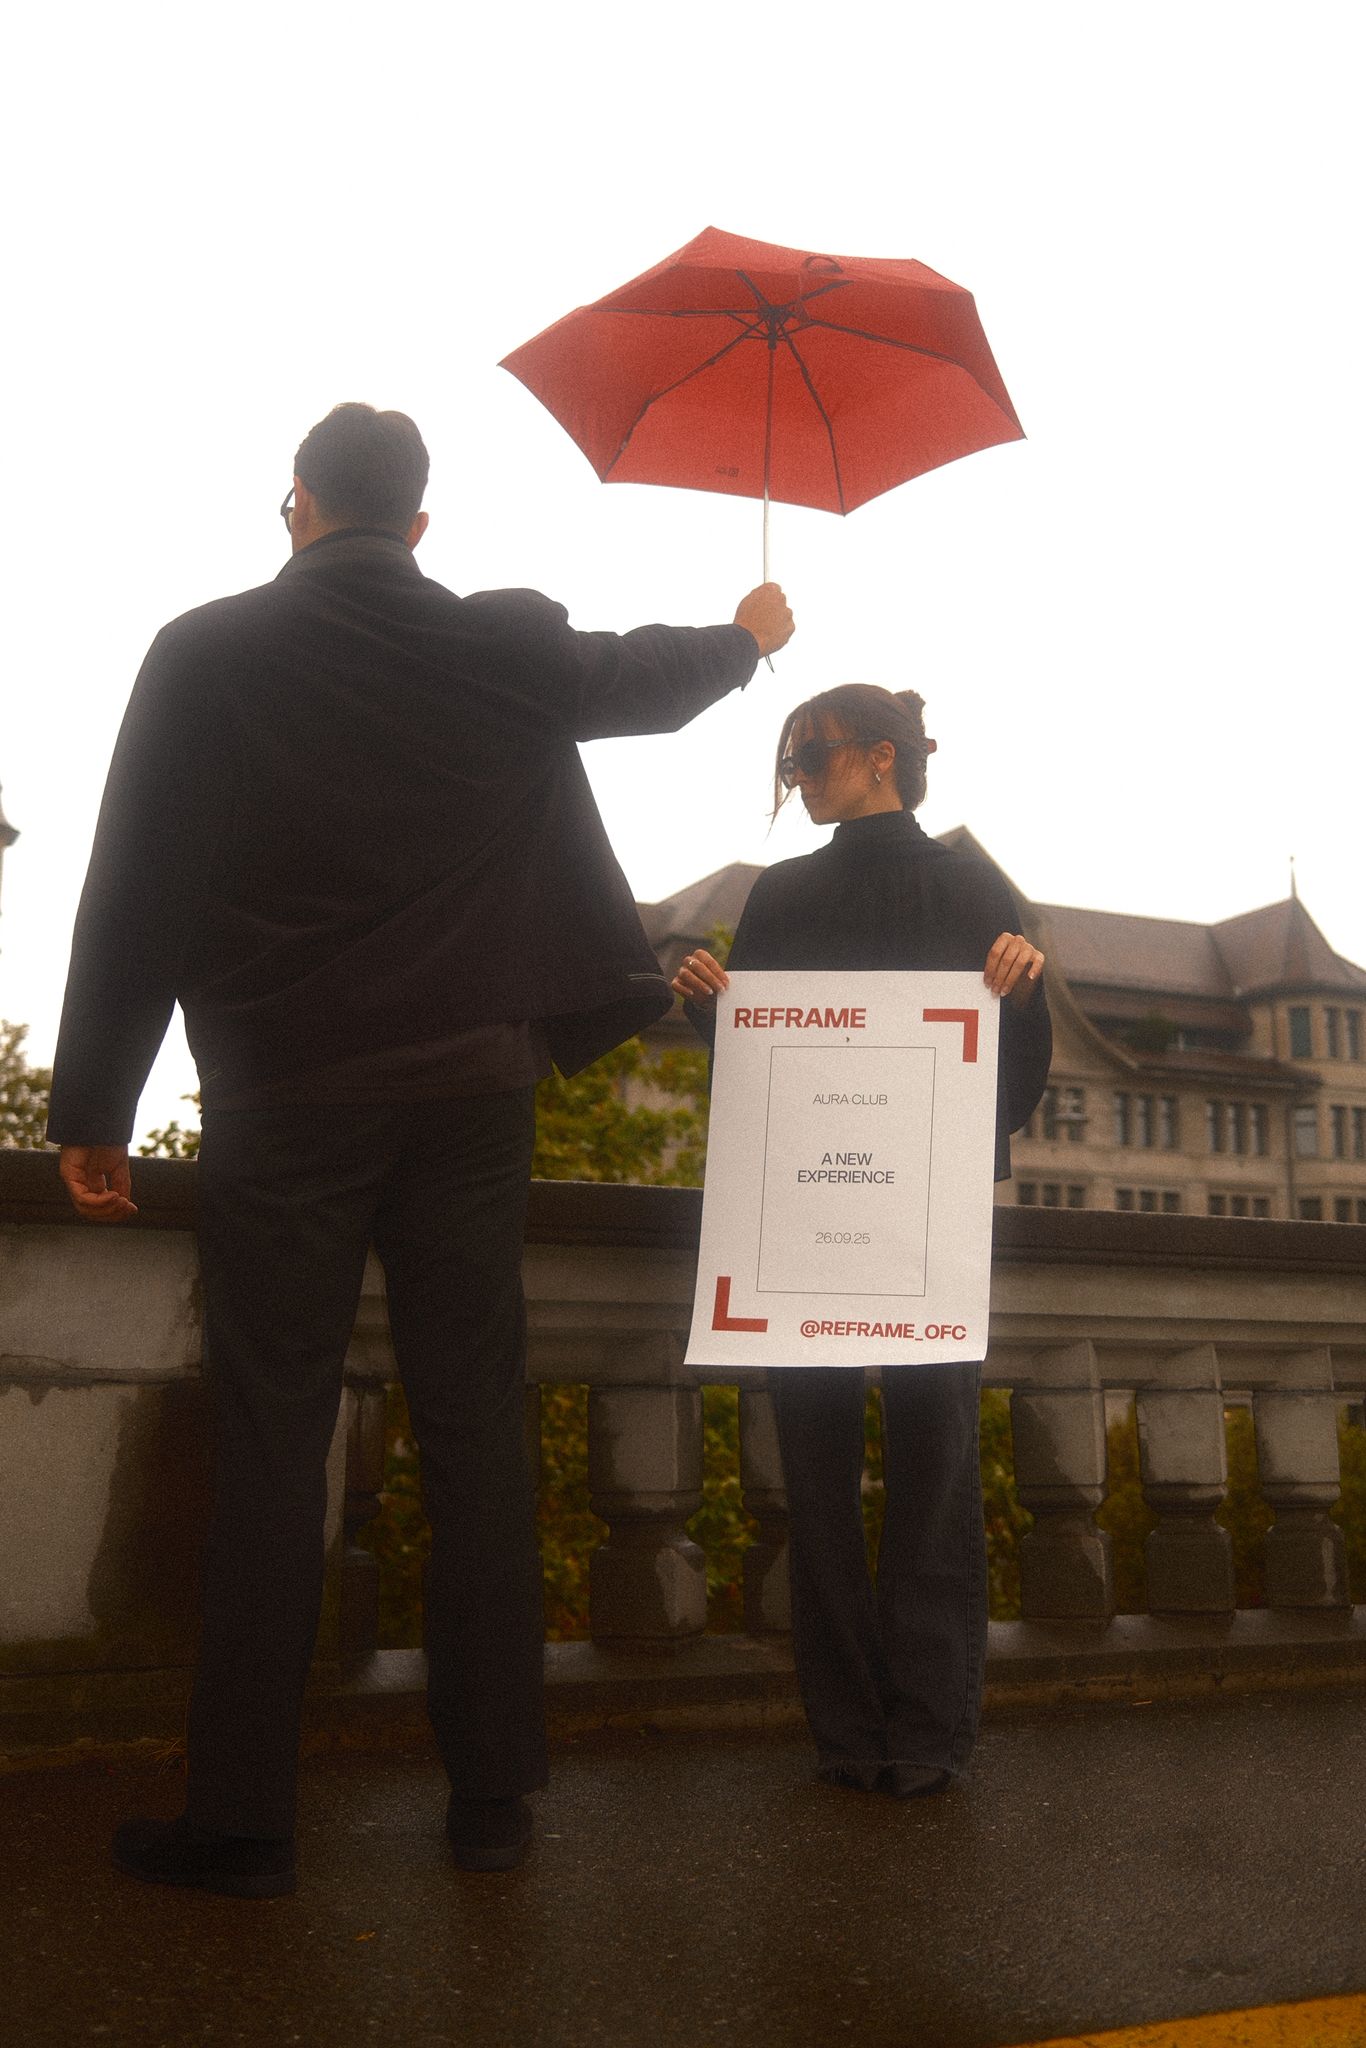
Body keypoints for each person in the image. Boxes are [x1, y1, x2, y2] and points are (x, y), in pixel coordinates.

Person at [47, 401, 794, 1894]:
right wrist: (745, 636)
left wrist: (95, 1106)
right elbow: (631, 681)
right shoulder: (493, 647)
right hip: (470, 1093)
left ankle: (246, 1820)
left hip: (287, 1093)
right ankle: (494, 1797)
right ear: (423, 524)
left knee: (271, 1439)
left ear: (298, 506)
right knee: (475, 1429)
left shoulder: (206, 652)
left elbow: (134, 880)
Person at [674, 683, 1048, 1797]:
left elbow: (1012, 1086)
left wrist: (1020, 998)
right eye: (789, 764)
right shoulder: (778, 893)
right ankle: (857, 1731)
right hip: (817, 1211)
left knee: (922, 1473)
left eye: (812, 757)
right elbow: (762, 1073)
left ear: (879, 757)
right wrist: (713, 1008)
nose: (798, 779)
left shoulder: (975, 884)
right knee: (826, 1483)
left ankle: (920, 1731)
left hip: (919, 1220)